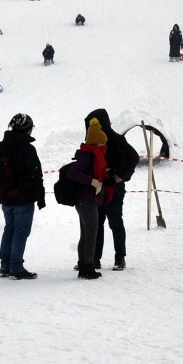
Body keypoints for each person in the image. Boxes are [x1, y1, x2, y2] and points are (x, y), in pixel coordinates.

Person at [0, 113, 46, 279]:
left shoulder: (1, 146)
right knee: (20, 233)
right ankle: (16, 268)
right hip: (23, 198)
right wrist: (40, 197)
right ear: (27, 129)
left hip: (5, 197)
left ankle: (5, 266)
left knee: (9, 229)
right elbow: (35, 175)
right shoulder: (27, 149)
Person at [85, 109, 136, 271]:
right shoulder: (92, 140)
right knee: (97, 225)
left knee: (115, 223)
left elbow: (133, 157)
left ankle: (120, 258)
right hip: (97, 189)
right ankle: (95, 258)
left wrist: (121, 175)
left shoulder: (116, 140)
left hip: (114, 189)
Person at [63, 118, 112, 279]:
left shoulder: (93, 154)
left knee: (86, 235)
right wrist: (91, 181)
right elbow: (73, 173)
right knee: (91, 235)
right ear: (96, 142)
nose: (104, 146)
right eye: (101, 143)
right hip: (86, 200)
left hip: (88, 200)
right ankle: (88, 267)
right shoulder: (88, 156)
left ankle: (83, 266)